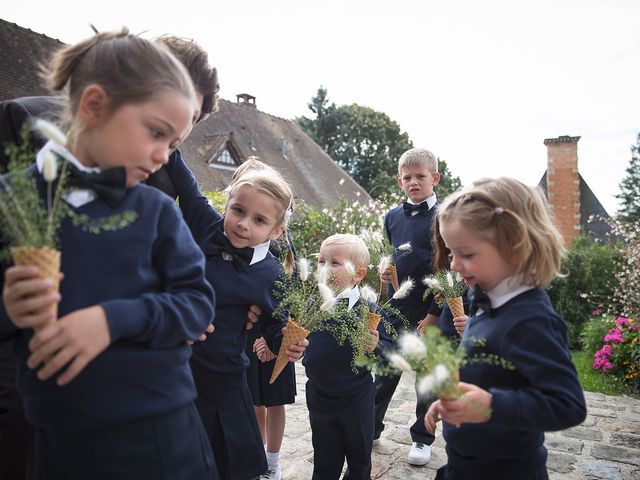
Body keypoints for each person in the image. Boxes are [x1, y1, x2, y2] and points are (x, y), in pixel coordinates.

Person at [0, 28, 217, 479]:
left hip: (158, 430)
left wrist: (111, 319)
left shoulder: (157, 209)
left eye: (174, 144)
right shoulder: (13, 198)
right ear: (95, 105)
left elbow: (196, 302)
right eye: (157, 134)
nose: (162, 157)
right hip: (59, 437)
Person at [425, 177, 587, 480]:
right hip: (465, 464)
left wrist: (492, 405)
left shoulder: (531, 320)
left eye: (467, 254)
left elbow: (568, 405)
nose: (455, 265)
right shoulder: (486, 300)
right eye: (451, 253)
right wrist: (451, 402)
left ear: (515, 247)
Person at [165, 153, 306, 480]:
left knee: (228, 461)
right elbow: (188, 187)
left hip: (223, 379)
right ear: (227, 204)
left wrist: (287, 344)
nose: (243, 224)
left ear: (276, 230)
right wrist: (166, 139)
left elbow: (275, 324)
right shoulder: (207, 225)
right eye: (238, 211)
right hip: (177, 367)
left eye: (259, 220)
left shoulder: (272, 274)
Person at [303, 233, 392, 480]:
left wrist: (375, 346)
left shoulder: (369, 310)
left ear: (359, 274)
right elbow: (299, 337)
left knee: (359, 457)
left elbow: (389, 353)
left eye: (334, 262)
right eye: (321, 261)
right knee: (324, 456)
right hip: (319, 394)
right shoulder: (311, 303)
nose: (324, 267)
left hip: (356, 397)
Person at [374, 148, 442, 465]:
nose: (413, 182)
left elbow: (450, 271)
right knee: (385, 371)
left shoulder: (444, 218)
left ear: (435, 179)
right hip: (395, 308)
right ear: (400, 181)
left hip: (429, 311)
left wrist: (434, 315)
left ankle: (423, 438)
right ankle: (371, 427)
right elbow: (392, 256)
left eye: (420, 176)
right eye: (407, 177)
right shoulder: (392, 217)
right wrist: (384, 273)